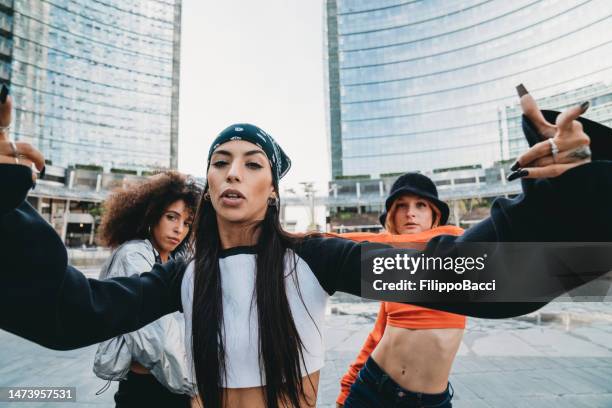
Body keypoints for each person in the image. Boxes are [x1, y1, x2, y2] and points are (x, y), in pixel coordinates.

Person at [1, 85, 612, 408]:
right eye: (220, 162)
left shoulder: (316, 257)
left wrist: (562, 199)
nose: (233, 173)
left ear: (273, 188)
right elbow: (69, 313)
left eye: (251, 162)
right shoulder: (180, 275)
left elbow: (462, 276)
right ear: (208, 184)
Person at [336, 173, 464, 408]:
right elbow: (378, 336)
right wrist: (347, 388)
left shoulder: (456, 241)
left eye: (420, 205)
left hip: (430, 401)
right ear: (393, 216)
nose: (410, 213)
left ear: (435, 215)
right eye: (401, 206)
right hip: (372, 389)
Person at [93, 171, 200, 407]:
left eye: (186, 223)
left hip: (174, 383)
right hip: (147, 391)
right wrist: (195, 389)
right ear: (152, 215)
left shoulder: (175, 258)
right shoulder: (133, 255)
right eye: (171, 217)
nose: (179, 229)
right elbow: (155, 338)